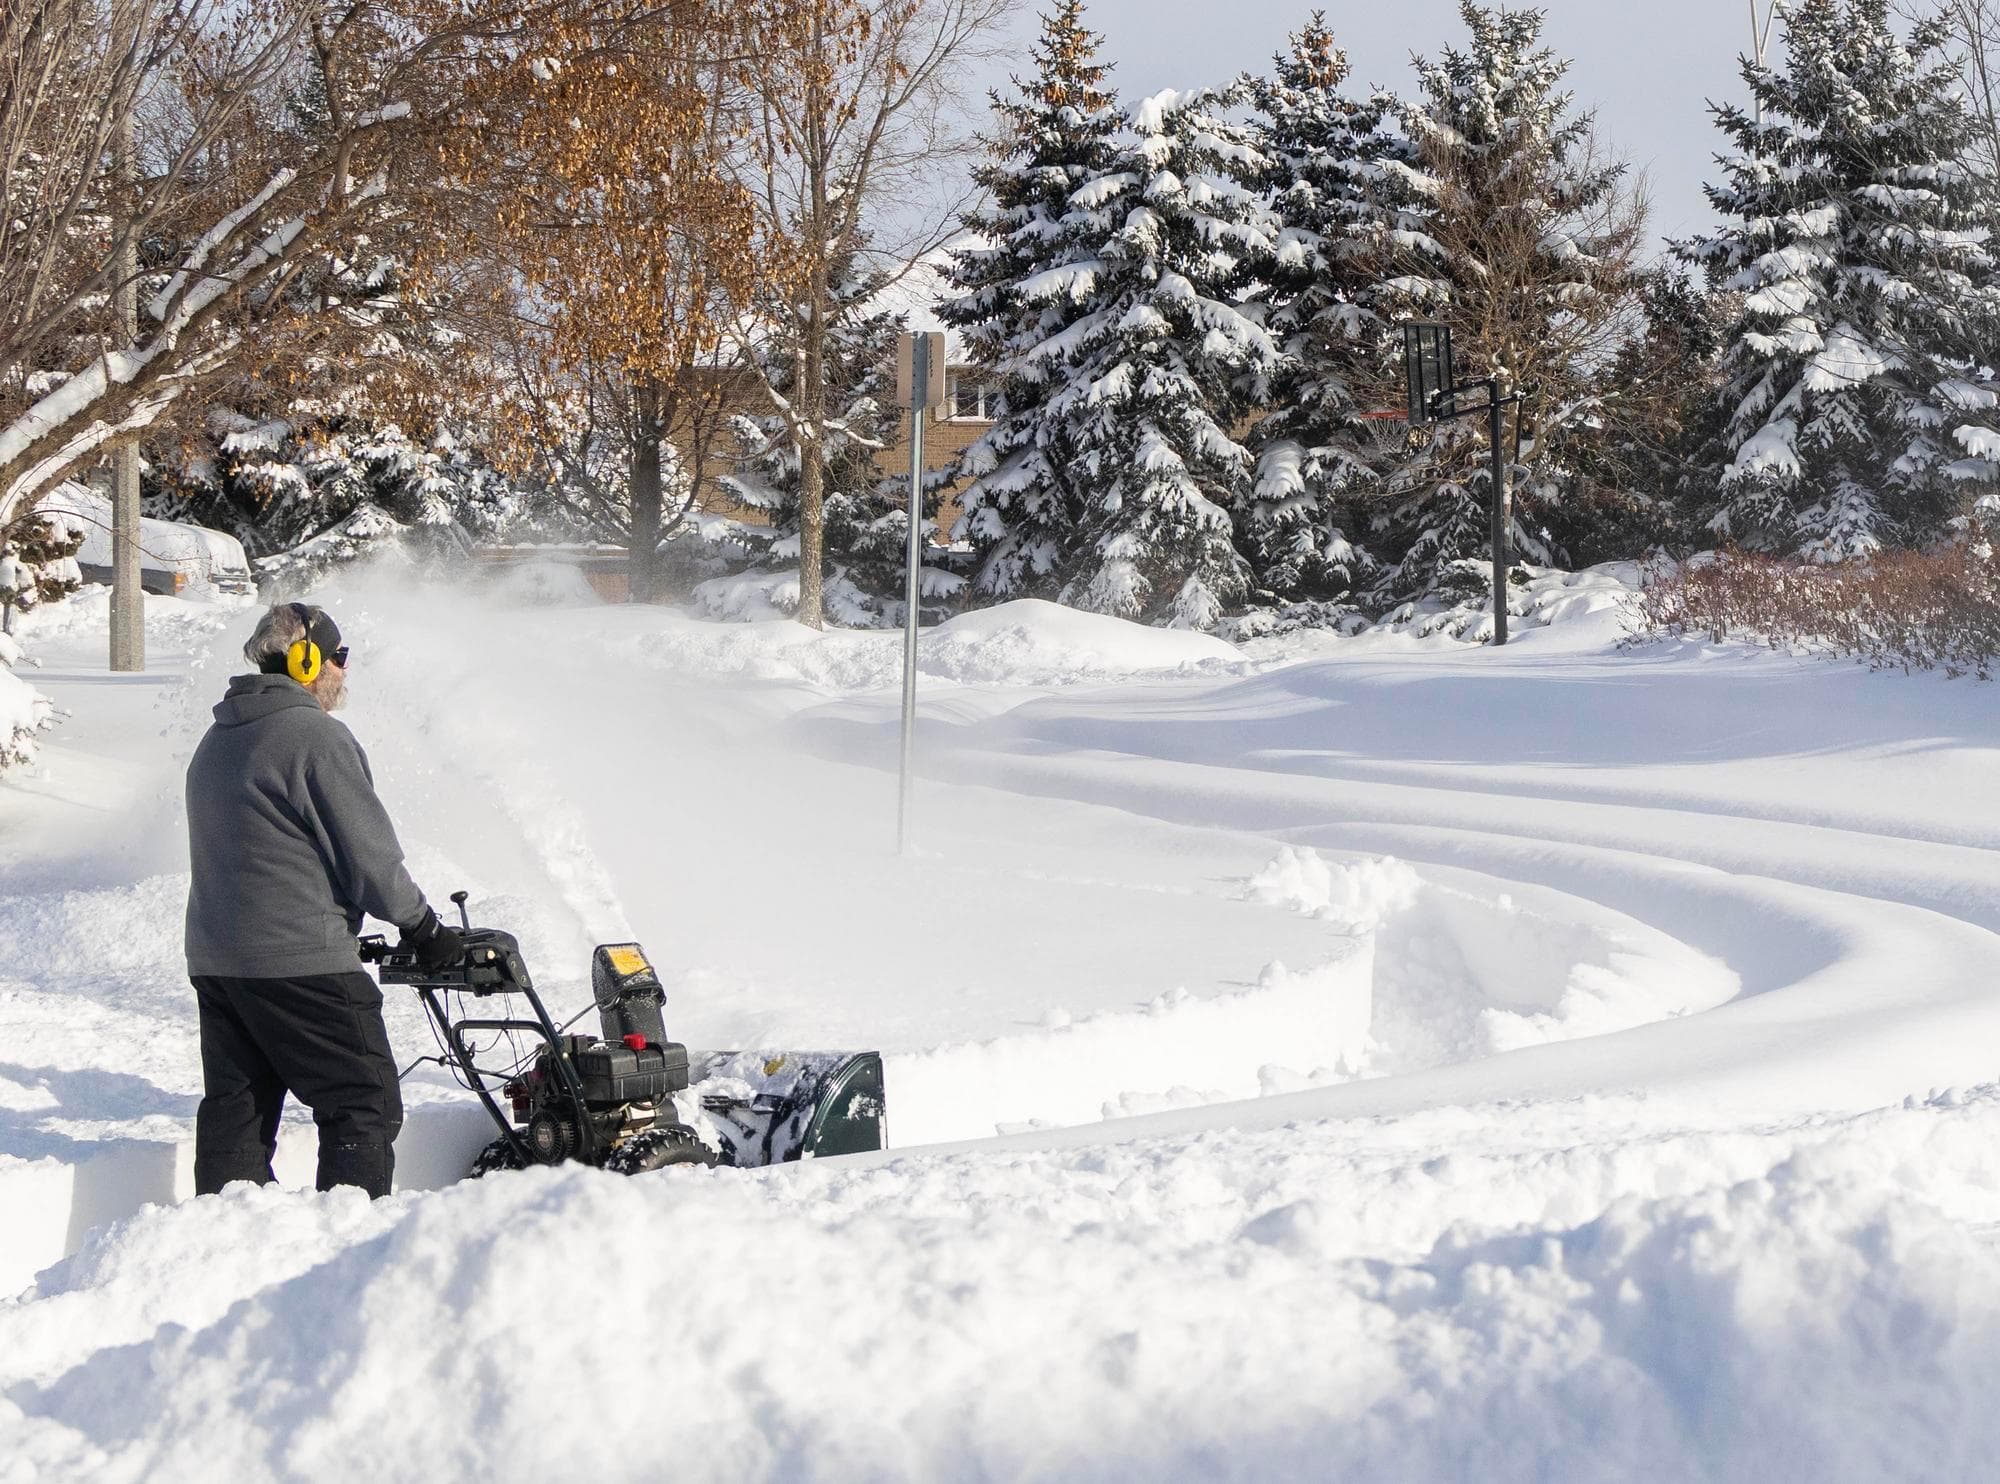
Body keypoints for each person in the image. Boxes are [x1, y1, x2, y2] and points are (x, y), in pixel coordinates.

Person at [183, 601, 464, 1198]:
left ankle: (220, 1245)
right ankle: (343, 1255)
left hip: (219, 963)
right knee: (362, 1104)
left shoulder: (217, 739)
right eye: (339, 658)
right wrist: (426, 930)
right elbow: (369, 858)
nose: (344, 672)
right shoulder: (314, 736)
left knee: (239, 1112)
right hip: (302, 964)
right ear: (308, 661)